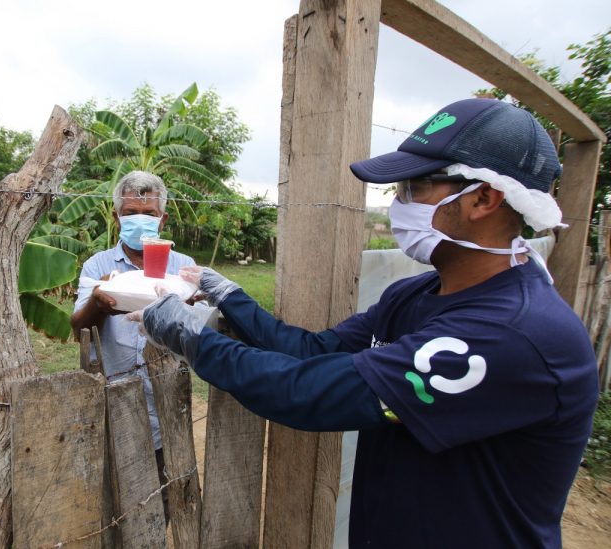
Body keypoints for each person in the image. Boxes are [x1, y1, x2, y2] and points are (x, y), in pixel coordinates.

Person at [134, 98, 599, 547]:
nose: (399, 204)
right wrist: (231, 297)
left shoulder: (513, 335)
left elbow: (307, 391)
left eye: (413, 188)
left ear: (482, 198)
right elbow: (313, 352)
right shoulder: (416, 295)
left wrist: (192, 337)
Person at [71, 170, 196, 519]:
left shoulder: (183, 267)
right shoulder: (98, 266)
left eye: (150, 215)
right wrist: (99, 301)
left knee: (164, 500)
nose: (139, 222)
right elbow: (77, 328)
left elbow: (201, 330)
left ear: (163, 218)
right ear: (116, 217)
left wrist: (184, 307)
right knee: (113, 502)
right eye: (130, 215)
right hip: (113, 402)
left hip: (169, 403)